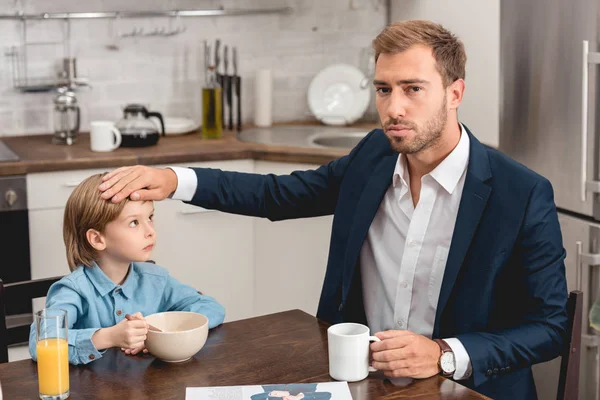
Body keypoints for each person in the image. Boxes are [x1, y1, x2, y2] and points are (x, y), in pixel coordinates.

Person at [97, 20, 567, 399]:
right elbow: (277, 196)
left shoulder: (519, 193)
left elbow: (549, 328)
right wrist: (175, 180)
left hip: (463, 389)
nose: (394, 108)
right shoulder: (373, 157)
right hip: (361, 384)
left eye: (412, 88)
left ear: (455, 93)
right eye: (383, 89)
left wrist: (443, 354)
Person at [28, 174, 225, 365]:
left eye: (150, 217)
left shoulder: (156, 279)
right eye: (134, 223)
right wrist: (108, 337)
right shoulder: (74, 291)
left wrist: (158, 336)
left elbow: (211, 307)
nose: (150, 231)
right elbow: (41, 342)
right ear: (97, 239)